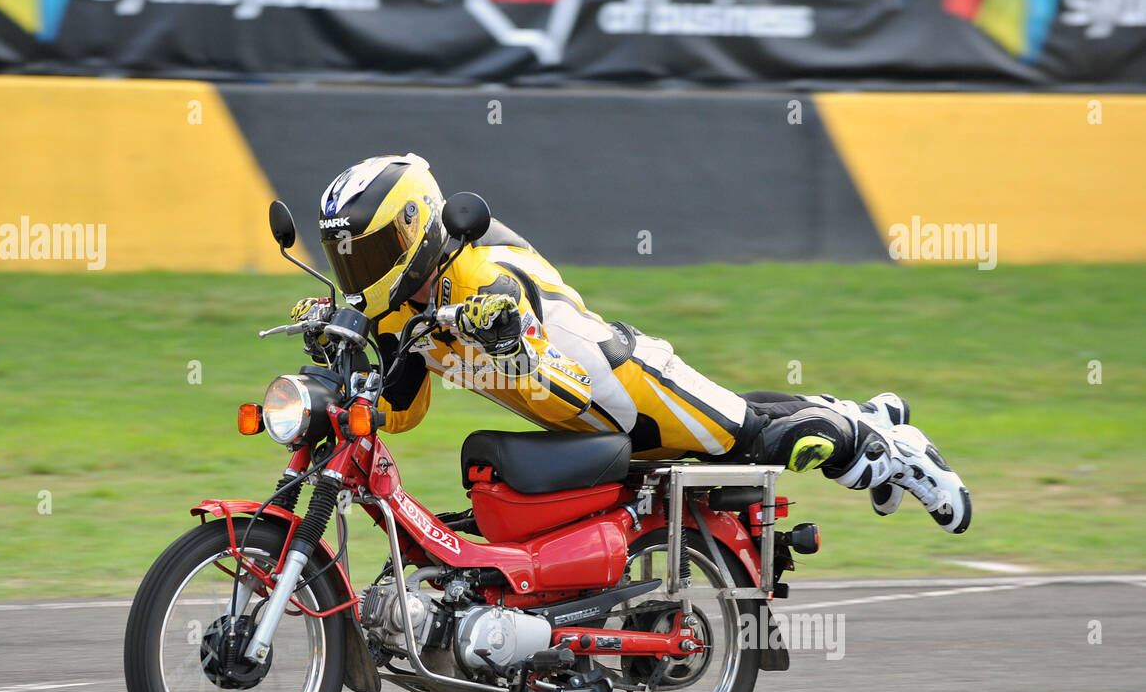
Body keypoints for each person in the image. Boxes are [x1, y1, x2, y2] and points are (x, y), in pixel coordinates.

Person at [293, 153, 970, 533]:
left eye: (373, 251)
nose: (359, 273)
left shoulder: (485, 272)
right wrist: (344, 362)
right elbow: (404, 412)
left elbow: (547, 362)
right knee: (744, 418)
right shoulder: (402, 311)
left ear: (418, 230)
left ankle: (888, 452)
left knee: (768, 443)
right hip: (581, 435)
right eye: (347, 259)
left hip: (628, 384)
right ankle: (864, 418)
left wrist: (502, 332)